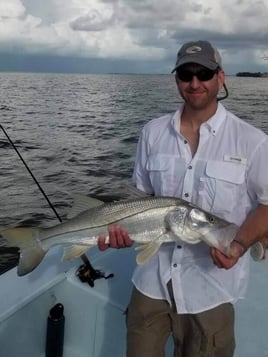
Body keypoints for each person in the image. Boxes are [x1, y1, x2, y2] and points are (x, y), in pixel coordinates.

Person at [98, 40, 268, 357]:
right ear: (176, 79)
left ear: (221, 77)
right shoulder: (151, 132)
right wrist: (122, 231)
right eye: (185, 74)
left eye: (204, 73)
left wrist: (240, 245)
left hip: (211, 290)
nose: (194, 83)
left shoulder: (253, 142)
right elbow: (141, 199)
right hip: (150, 284)